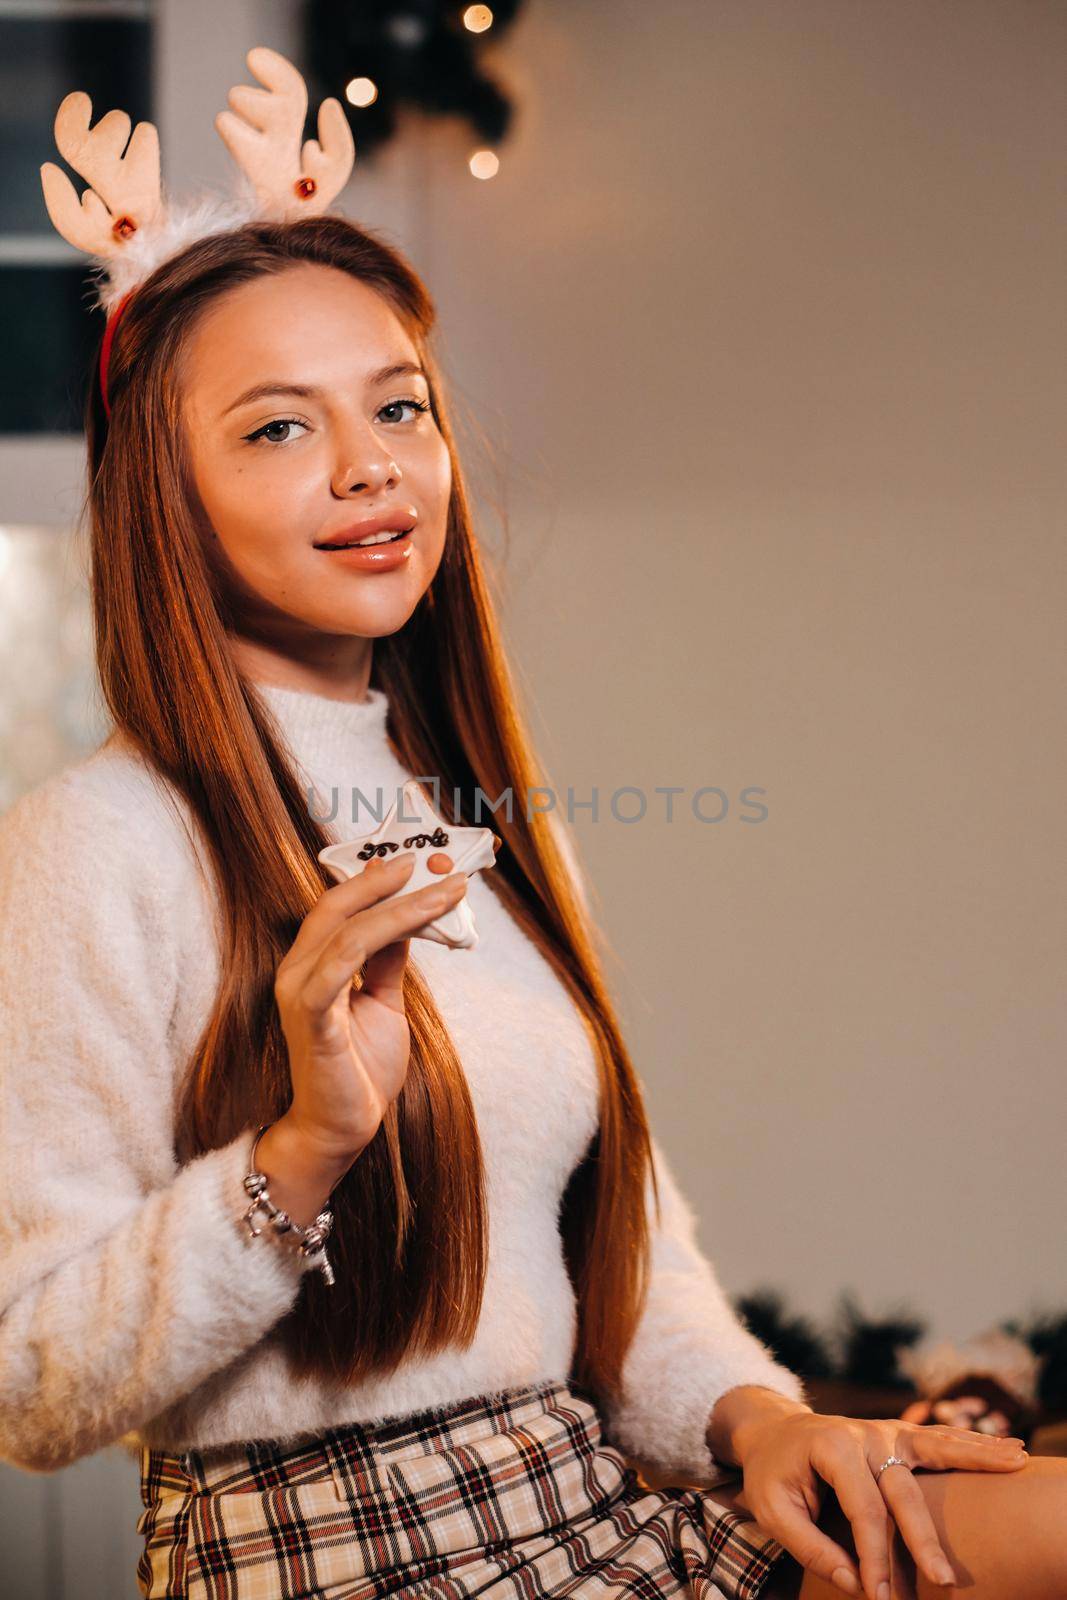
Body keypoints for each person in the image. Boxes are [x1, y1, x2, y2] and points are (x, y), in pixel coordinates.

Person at [1, 47, 1064, 1600]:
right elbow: (33, 1383)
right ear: (166, 490)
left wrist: (761, 1418)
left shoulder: (475, 814)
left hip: (578, 1495)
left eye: (400, 407)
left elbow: (624, 1248)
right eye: (277, 428)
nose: (371, 467)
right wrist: (300, 1150)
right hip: (325, 1552)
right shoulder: (100, 842)